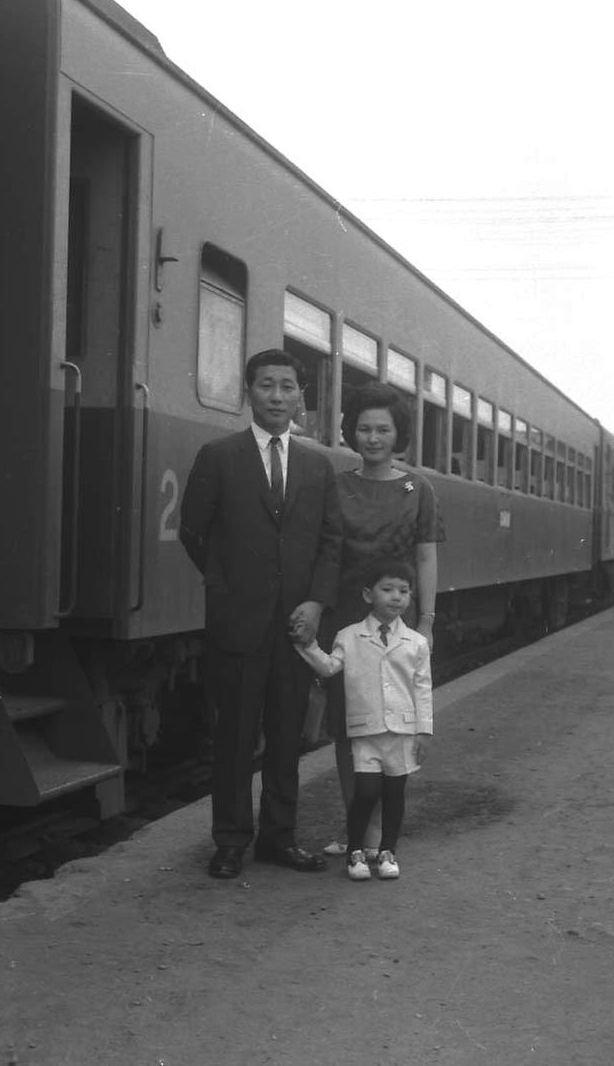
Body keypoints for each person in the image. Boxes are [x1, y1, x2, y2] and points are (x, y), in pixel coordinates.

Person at [179, 348, 342, 879]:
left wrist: (315, 602)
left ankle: (279, 838)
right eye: (266, 385)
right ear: (248, 391)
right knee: (233, 737)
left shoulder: (319, 465)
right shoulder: (219, 456)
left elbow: (330, 542)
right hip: (238, 623)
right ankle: (230, 841)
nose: (277, 396)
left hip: (296, 627)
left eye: (287, 387)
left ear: (301, 397)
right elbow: (194, 531)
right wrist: (229, 588)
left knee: (287, 734)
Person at [319, 382, 443, 858]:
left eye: (383, 430)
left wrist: (427, 621)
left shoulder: (419, 489)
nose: (373, 438)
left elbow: (426, 559)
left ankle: (375, 837)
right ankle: (360, 832)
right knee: (350, 725)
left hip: (396, 621)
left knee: (393, 729)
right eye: (364, 428)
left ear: (398, 435)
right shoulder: (338, 484)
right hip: (348, 620)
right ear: (352, 432)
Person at [295, 558, 432, 881]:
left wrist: (424, 731)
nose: (396, 597)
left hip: (401, 732)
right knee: (366, 792)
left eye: (404, 591)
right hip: (365, 731)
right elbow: (329, 667)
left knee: (395, 795)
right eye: (388, 590)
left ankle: (387, 851)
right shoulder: (349, 636)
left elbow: (422, 687)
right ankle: (356, 850)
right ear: (369, 595)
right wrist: (307, 646)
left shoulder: (416, 643)